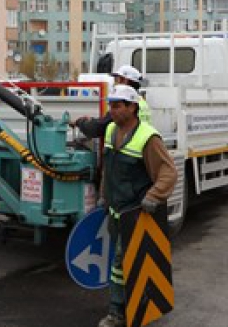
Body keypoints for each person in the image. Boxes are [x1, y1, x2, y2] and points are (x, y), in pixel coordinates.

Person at [97, 84, 177, 327]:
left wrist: (154, 196)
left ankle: (116, 312)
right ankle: (135, 303)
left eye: (118, 106)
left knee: (121, 263)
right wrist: (103, 195)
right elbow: (108, 170)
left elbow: (168, 172)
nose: (112, 111)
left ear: (132, 108)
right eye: (111, 105)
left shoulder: (148, 137)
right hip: (115, 210)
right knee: (122, 262)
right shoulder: (111, 130)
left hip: (136, 214)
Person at [72, 65, 151, 138]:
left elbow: (97, 128)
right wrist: (92, 120)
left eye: (116, 79)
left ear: (124, 81)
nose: (114, 83)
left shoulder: (124, 104)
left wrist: (80, 122)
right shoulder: (141, 102)